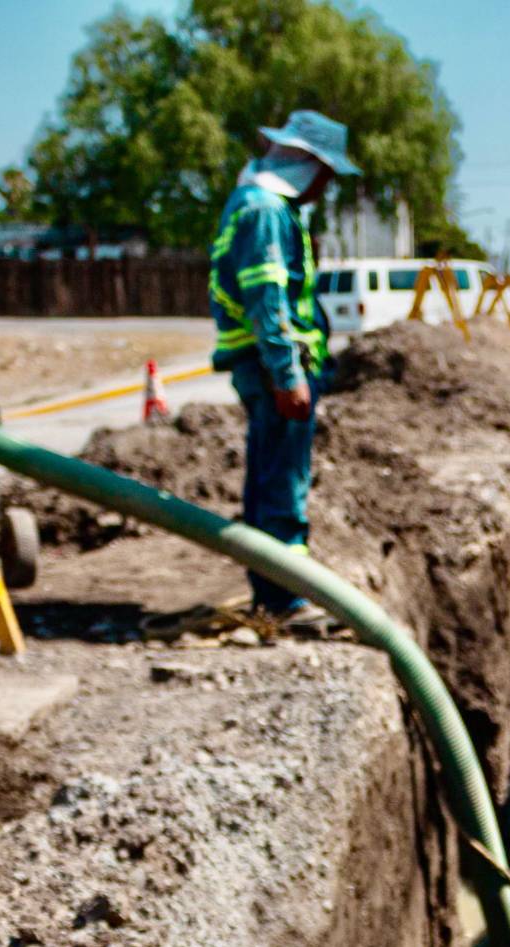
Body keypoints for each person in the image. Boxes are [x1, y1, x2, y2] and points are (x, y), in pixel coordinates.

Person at [208, 108, 360, 620]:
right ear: (311, 167)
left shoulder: (259, 205)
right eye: (327, 175)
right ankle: (284, 598)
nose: (327, 186)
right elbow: (266, 300)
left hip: (269, 365)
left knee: (271, 473)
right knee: (281, 481)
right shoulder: (267, 211)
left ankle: (274, 590)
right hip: (273, 368)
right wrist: (287, 373)